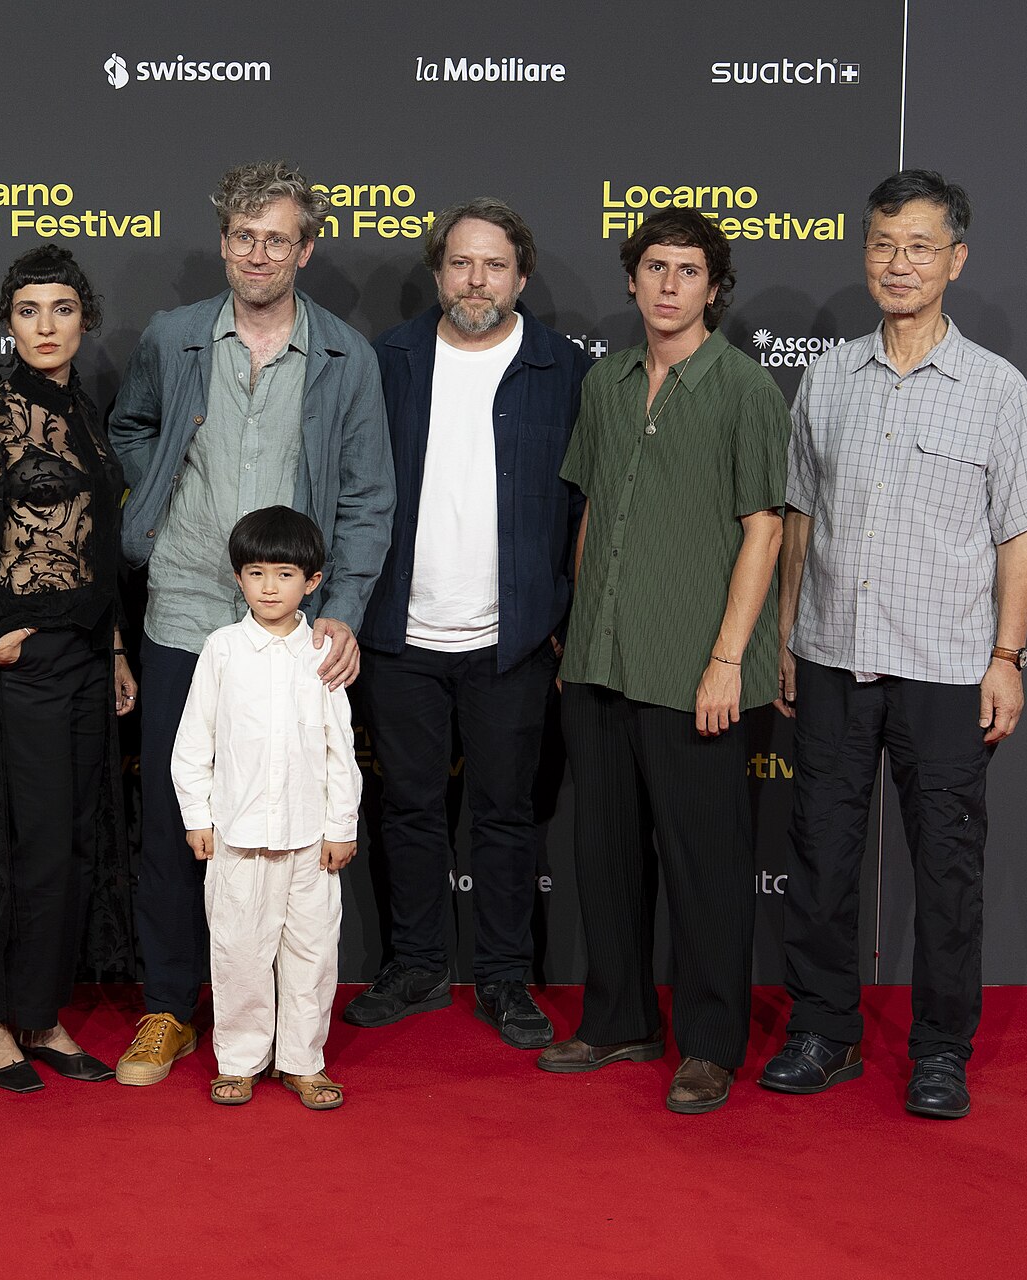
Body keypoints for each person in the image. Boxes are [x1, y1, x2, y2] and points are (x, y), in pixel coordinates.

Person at [759, 171, 1027, 1119]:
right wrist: (785, 637)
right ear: (866, 253)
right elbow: (801, 517)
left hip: (946, 670)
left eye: (920, 246)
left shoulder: (997, 390)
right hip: (834, 656)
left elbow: (1020, 534)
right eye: (885, 243)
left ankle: (940, 1049)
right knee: (821, 855)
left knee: (948, 870)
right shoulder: (828, 378)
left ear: (956, 261)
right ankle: (824, 1030)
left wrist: (1007, 660)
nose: (900, 263)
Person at [108, 160, 394, 1086]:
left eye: (278, 237)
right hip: (187, 611)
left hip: (296, 632)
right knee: (175, 818)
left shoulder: (347, 356)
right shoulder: (175, 336)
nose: (258, 253)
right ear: (223, 243)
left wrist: (342, 611)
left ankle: (283, 1027)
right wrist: (162, 510)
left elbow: (367, 500)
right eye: (242, 236)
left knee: (292, 831)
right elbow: (132, 428)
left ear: (306, 248)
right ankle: (166, 1007)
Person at [539, 209, 788, 1114]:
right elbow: (596, 511)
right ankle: (618, 1020)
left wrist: (728, 659)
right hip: (600, 659)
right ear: (634, 280)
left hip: (696, 671)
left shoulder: (746, 389)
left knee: (707, 864)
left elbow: (765, 528)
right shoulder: (604, 382)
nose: (671, 283)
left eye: (689, 269)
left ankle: (712, 1043)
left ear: (714, 288)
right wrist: (577, 627)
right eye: (655, 267)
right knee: (603, 851)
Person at [347, 198, 590, 1046]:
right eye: (460, 263)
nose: (476, 279)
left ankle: (503, 978)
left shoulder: (564, 368)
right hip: (399, 634)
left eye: (493, 265)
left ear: (521, 277)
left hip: (514, 639)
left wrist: (565, 617)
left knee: (506, 814)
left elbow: (585, 507)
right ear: (438, 272)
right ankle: (414, 966)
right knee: (408, 807)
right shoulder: (389, 362)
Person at [0, 245, 137, 1092]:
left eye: (61, 309)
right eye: (27, 311)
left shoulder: (89, 413)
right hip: (23, 665)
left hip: (88, 658)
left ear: (84, 320)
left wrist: (116, 649)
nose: (45, 326)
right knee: (23, 845)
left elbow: (100, 552)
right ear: (7, 325)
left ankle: (44, 1015)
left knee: (78, 843)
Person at [172, 507, 361, 1109]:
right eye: (256, 573)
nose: (270, 587)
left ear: (312, 580)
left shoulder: (322, 653)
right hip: (238, 839)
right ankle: (240, 1059)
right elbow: (193, 742)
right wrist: (197, 818)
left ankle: (304, 1061)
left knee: (311, 955)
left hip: (311, 844)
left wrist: (341, 826)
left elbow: (341, 751)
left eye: (285, 574)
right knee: (238, 953)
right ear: (238, 580)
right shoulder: (222, 650)